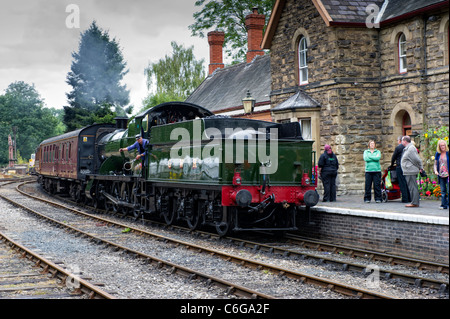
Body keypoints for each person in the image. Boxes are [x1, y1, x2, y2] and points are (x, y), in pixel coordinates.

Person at [401, 136, 424, 207]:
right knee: (411, 187)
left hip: (410, 171)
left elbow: (417, 159)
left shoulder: (411, 149)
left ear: (405, 141)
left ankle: (414, 203)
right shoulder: (408, 148)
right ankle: (414, 202)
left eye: (402, 140)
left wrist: (421, 167)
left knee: (412, 187)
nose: (401, 142)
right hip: (408, 171)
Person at [390, 136, 411, 203]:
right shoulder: (409, 147)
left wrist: (392, 164)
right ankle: (409, 198)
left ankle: (405, 198)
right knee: (407, 182)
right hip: (407, 167)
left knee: (402, 183)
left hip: (400, 166)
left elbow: (394, 157)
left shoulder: (398, 147)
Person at [434, 140, 449, 209]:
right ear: (439, 146)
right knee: (443, 191)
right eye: (441, 145)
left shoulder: (448, 153)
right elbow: (435, 164)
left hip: (448, 175)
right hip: (440, 174)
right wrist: (435, 171)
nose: (442, 147)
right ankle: (443, 205)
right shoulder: (438, 154)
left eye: (443, 145)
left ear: (445, 146)